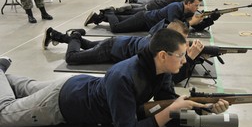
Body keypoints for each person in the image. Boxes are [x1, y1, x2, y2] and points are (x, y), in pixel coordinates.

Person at [0, 29, 229, 127]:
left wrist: (205, 108)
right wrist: (171, 112)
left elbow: (166, 103)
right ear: (162, 55)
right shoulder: (124, 77)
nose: (184, 61)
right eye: (181, 56)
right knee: (4, 112)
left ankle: (3, 71)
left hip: (74, 86)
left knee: (27, 87)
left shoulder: (161, 71)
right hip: (60, 104)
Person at [43, 19, 205, 84]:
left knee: (88, 45)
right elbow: (172, 78)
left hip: (118, 43)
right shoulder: (154, 50)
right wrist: (189, 57)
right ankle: (76, 35)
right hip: (111, 49)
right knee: (72, 57)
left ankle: (54, 34)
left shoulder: (160, 40)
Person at [84, 0, 220, 33]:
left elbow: (198, 27)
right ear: (188, 3)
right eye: (196, 5)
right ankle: (109, 12)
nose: (197, 8)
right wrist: (190, 22)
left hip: (147, 24)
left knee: (121, 19)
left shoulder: (188, 12)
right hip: (144, 19)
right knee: (116, 28)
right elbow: (174, 27)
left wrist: (212, 19)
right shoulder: (175, 7)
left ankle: (98, 17)